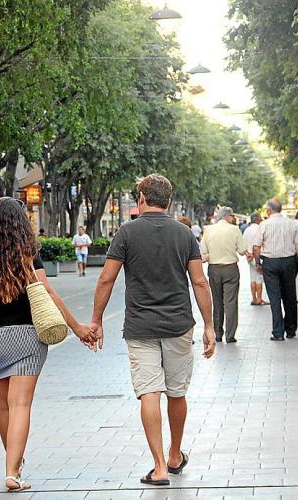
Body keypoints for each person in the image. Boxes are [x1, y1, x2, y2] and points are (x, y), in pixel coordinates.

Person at [0, 197, 96, 493]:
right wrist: (77, 327)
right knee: (20, 405)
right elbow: (47, 292)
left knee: (4, 406)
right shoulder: (28, 253)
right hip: (27, 337)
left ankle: (14, 466)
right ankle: (13, 471)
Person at [90, 174, 216, 486]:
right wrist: (210, 325)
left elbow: (106, 279)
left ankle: (159, 467)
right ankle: (174, 454)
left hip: (140, 327)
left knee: (149, 392)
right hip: (178, 325)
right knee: (177, 392)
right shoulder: (184, 234)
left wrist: (96, 320)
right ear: (168, 201)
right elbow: (200, 282)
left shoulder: (126, 232)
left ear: (142, 198)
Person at [253, 199, 298, 341]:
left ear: (269, 210)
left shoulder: (264, 225)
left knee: (274, 298)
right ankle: (291, 329)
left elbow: (256, 247)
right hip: (289, 262)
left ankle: (278, 332)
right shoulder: (291, 224)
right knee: (290, 295)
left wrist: (258, 263)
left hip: (270, 263)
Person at [200, 207, 248, 343]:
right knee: (230, 302)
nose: (233, 218)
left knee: (217, 301)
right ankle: (230, 335)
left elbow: (203, 250)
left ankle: (218, 333)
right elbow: (242, 250)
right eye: (232, 216)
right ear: (227, 216)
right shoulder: (234, 229)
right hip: (230, 268)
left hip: (214, 269)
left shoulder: (209, 230)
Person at [242, 213, 267, 306]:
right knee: (259, 277)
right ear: (257, 219)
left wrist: (248, 254)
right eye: (260, 218)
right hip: (257, 256)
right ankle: (259, 299)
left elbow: (243, 244)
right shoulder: (259, 229)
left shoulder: (247, 230)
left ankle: (254, 298)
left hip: (249, 257)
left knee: (252, 277)